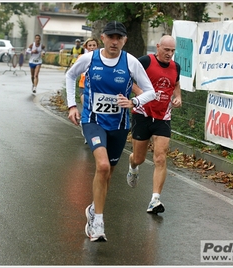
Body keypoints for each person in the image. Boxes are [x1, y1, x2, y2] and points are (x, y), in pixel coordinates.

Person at [66, 21, 156, 242]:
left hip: (119, 125)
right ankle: (98, 222)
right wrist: (71, 106)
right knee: (103, 165)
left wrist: (134, 101)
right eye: (110, 37)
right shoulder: (89, 58)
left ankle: (93, 209)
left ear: (124, 41)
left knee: (107, 175)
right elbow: (70, 76)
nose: (114, 41)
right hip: (92, 120)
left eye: (119, 38)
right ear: (103, 38)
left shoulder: (131, 62)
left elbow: (151, 92)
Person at [126, 35, 182, 214]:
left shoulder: (175, 67)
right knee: (139, 158)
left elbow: (176, 84)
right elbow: (130, 78)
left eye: (172, 51)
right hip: (142, 113)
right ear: (158, 47)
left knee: (160, 157)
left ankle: (155, 200)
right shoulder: (145, 61)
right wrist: (142, 93)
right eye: (166, 50)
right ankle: (133, 166)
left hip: (163, 116)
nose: (169, 54)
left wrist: (178, 97)